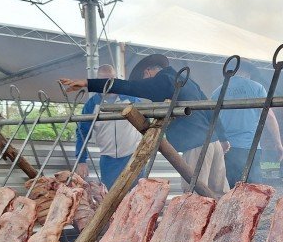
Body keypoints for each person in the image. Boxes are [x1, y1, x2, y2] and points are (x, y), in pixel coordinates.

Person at [60, 54, 231, 195]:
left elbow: (127, 86)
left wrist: (88, 83)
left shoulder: (161, 81)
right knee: (219, 192)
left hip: (195, 146)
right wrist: (222, 137)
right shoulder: (185, 80)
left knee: (195, 195)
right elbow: (210, 107)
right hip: (212, 142)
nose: (144, 83)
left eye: (143, 79)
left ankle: (199, 235)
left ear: (148, 72)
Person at [210, 60, 283, 187]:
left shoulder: (218, 91)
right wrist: (278, 143)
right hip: (249, 147)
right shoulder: (256, 87)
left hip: (224, 148)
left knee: (228, 188)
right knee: (252, 188)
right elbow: (269, 116)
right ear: (247, 71)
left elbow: (212, 120)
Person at [75, 64, 144, 189]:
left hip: (133, 157)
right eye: (103, 81)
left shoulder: (131, 99)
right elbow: (82, 133)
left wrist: (144, 151)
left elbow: (146, 125)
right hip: (109, 161)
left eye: (111, 80)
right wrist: (81, 160)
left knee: (139, 196)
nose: (108, 84)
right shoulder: (92, 105)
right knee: (109, 199)